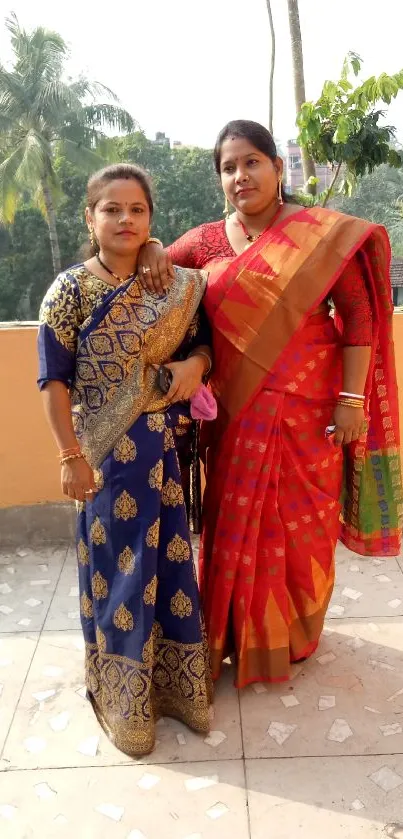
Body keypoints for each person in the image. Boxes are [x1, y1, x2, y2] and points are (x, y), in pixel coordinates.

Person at [137, 120, 402, 688]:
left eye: (252, 161)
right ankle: (232, 634)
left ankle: (295, 636)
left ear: (278, 168)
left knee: (301, 524)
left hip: (310, 409)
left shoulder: (321, 235)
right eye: (228, 168)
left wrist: (351, 399)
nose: (241, 176)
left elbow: (357, 316)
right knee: (234, 527)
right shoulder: (203, 242)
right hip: (234, 414)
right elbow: (151, 275)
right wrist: (155, 244)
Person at [37, 163, 213, 756]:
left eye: (138, 210)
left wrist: (193, 370)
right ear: (90, 218)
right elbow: (53, 382)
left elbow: (202, 345)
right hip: (106, 461)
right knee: (120, 575)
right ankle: (122, 700)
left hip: (163, 453)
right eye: (112, 209)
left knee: (170, 571)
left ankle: (177, 691)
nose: (126, 219)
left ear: (151, 219)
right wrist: (68, 455)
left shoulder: (169, 284)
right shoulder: (69, 291)